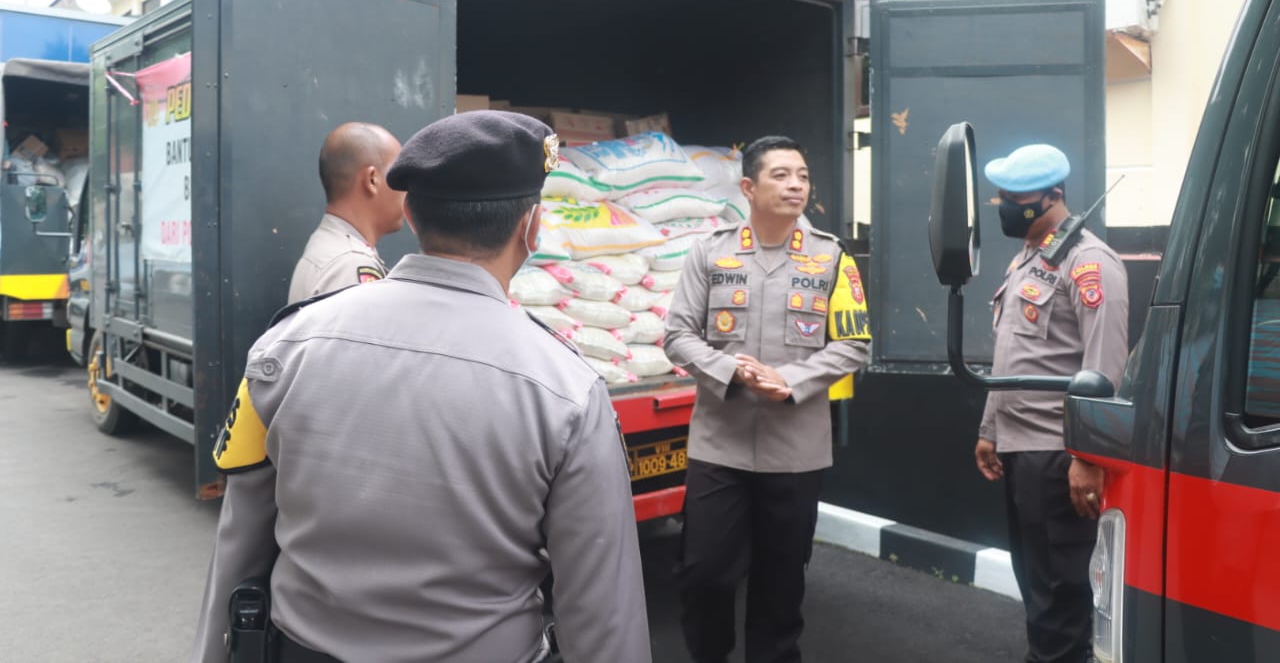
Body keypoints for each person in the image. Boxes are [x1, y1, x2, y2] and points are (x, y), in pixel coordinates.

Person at [192, 111, 651, 663]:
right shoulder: (566, 390)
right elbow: (603, 614)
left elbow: (238, 548)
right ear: (532, 228)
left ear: (409, 213)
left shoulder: (284, 348)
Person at [664, 135, 871, 663]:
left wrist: (792, 382)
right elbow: (678, 335)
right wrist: (730, 370)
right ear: (749, 188)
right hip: (719, 447)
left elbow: (854, 342)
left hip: (795, 450)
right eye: (781, 175)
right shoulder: (709, 252)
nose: (796, 184)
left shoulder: (832, 257)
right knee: (704, 575)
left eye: (802, 175)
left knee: (781, 586)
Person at [974, 143, 1128, 663]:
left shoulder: (1088, 262)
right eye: (1002, 197)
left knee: (1062, 593)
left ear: (1054, 197)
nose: (1004, 207)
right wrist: (991, 427)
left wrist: (1088, 455)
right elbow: (1012, 353)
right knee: (1038, 585)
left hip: (1059, 453)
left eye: (1015, 198)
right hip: (1022, 449)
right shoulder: (1028, 260)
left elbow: (1105, 365)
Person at [286, 122, 405, 302]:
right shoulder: (351, 263)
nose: (406, 189)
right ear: (372, 180)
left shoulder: (334, 251)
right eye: (399, 176)